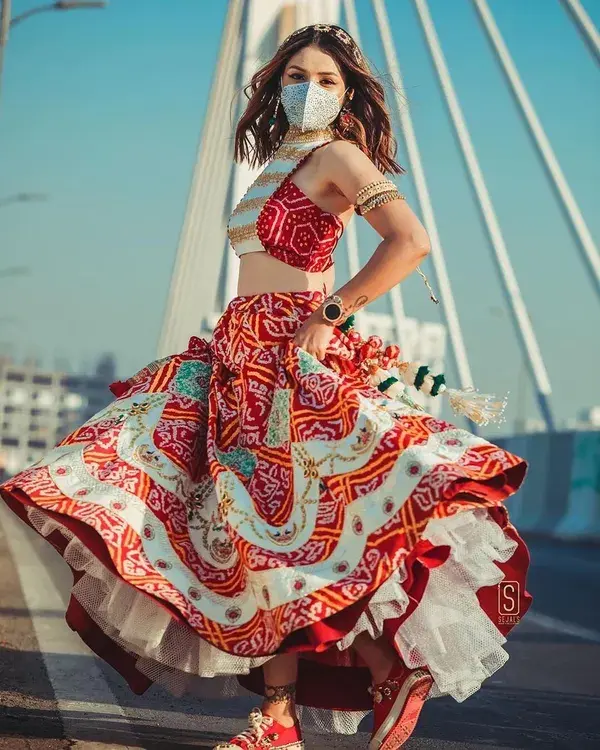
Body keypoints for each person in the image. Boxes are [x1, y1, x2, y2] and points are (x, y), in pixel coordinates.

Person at [0, 23, 531, 750]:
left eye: (325, 81)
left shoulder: (340, 155)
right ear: (272, 83)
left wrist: (332, 313)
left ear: (348, 97)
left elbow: (409, 242)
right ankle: (306, 706)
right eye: (294, 76)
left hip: (289, 357)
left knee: (287, 533)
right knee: (253, 537)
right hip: (236, 353)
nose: (306, 90)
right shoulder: (276, 163)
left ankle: (332, 693)